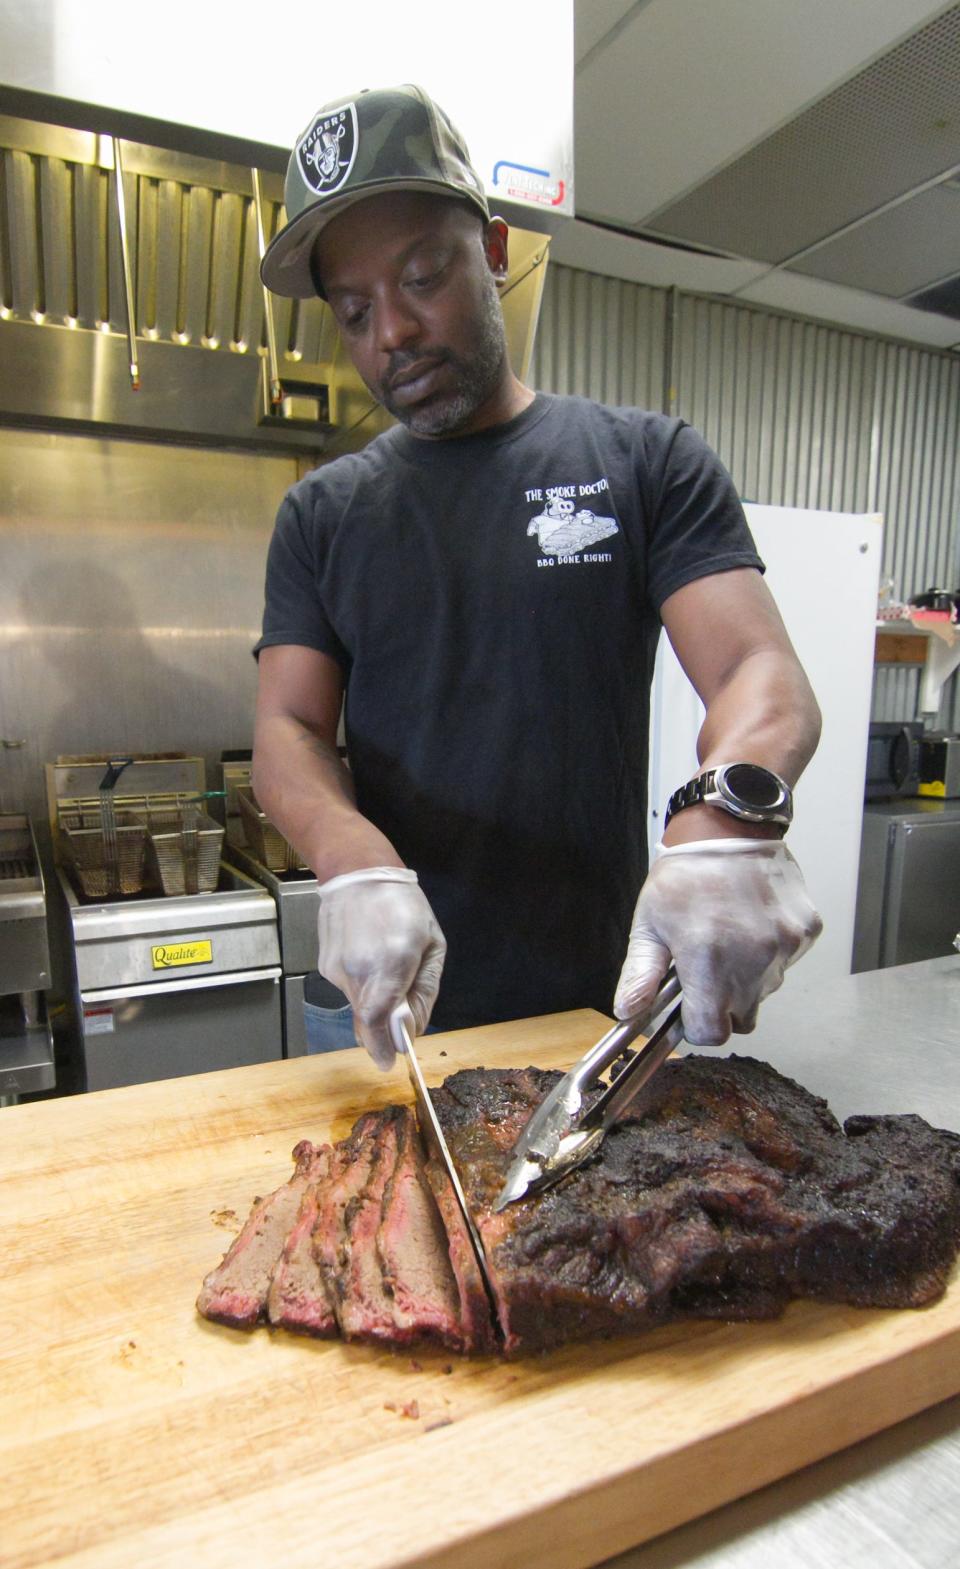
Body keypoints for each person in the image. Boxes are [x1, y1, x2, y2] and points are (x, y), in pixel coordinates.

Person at [252, 83, 823, 1071]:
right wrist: (349, 860)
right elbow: (290, 728)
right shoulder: (321, 516)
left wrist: (723, 820)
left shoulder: (644, 462)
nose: (390, 333)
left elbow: (754, 672)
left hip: (592, 1003)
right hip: (388, 1003)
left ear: (498, 252)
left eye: (423, 276)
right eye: (353, 312)